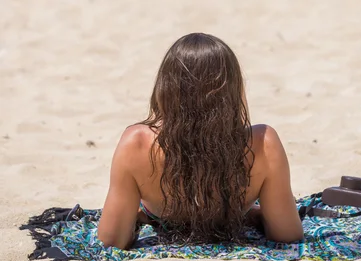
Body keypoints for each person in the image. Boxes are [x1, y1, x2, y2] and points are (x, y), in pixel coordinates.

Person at [97, 33, 303, 249]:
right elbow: (287, 235)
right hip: (231, 214)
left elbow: (111, 242)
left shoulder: (136, 143)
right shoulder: (263, 144)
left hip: (161, 214)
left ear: (166, 88)